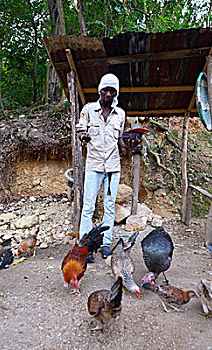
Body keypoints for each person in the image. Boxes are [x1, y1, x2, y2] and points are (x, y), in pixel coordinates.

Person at [76, 73, 141, 263]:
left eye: (112, 91)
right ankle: (85, 246)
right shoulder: (88, 109)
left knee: (109, 207)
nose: (108, 94)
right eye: (105, 90)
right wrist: (84, 137)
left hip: (113, 167)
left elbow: (120, 139)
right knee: (88, 207)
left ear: (116, 93)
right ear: (100, 90)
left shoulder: (120, 114)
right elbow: (80, 130)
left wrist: (130, 144)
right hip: (94, 165)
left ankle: (105, 243)